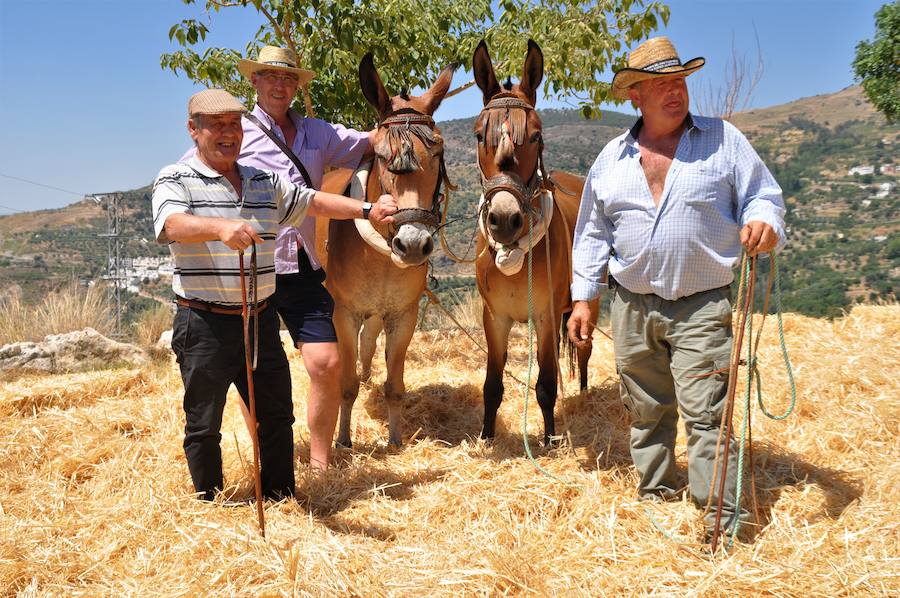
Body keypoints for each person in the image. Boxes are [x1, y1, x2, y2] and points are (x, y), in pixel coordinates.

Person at [566, 37, 786, 542]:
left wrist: (763, 222)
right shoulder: (611, 159)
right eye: (662, 84)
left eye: (680, 81)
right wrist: (584, 297)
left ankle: (720, 526)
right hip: (631, 306)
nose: (675, 92)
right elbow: (593, 232)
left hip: (702, 304)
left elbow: (763, 195)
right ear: (634, 96)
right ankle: (658, 497)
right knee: (645, 409)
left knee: (709, 414)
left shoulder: (723, 140)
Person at [154, 89, 396, 501]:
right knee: (204, 423)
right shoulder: (175, 178)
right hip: (204, 322)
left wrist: (367, 209)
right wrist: (218, 228)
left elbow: (312, 201)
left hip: (259, 319)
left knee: (276, 416)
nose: (228, 134)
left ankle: (281, 497)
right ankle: (209, 505)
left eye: (235, 125)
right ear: (194, 130)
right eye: (217, 126)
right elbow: (170, 224)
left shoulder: (264, 182)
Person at [185, 45, 375, 471]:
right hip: (254, 271)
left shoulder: (319, 133)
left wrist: (404, 117)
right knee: (254, 377)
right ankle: (268, 458)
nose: (279, 85)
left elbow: (367, 144)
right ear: (254, 81)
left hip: (303, 265)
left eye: (287, 78)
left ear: (296, 86)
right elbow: (190, 173)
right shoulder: (235, 132)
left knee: (326, 363)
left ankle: (321, 464)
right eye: (270, 76)